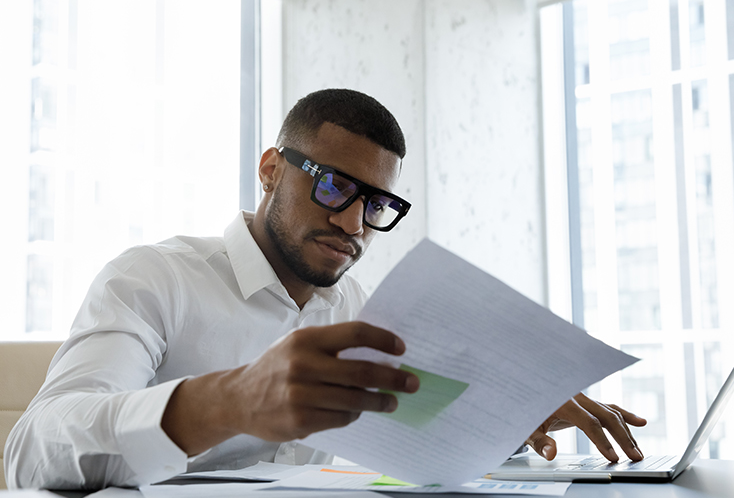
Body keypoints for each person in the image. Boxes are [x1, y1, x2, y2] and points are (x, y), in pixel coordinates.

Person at [4, 89, 646, 490]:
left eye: (376, 204)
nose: (352, 223)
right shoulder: (152, 279)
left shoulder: (359, 308)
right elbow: (32, 452)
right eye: (334, 186)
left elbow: (413, 423)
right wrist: (229, 400)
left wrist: (507, 414)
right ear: (270, 170)